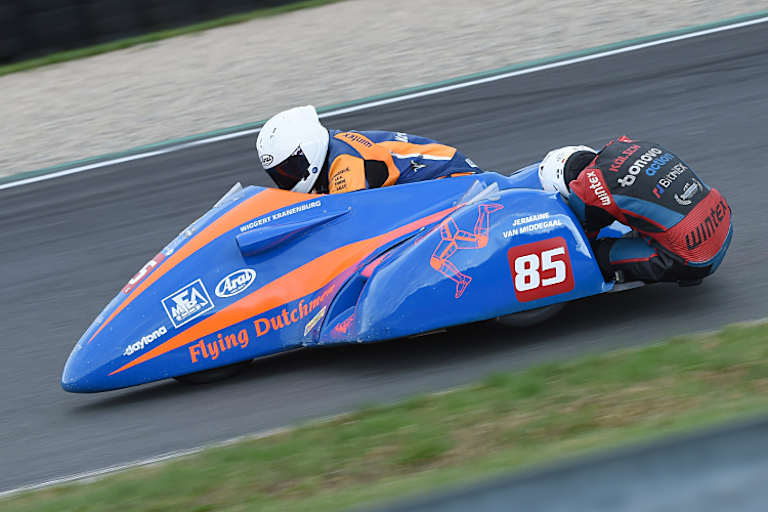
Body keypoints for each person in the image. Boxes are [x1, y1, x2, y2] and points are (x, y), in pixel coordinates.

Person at [538, 136, 732, 285]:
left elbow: (580, 244)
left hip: (694, 258)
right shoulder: (630, 145)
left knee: (595, 256)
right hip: (723, 220)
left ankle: (673, 268)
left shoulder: (585, 188)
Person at [255, 105, 480, 194]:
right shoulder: (332, 151)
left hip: (459, 182)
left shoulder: (344, 163)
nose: (286, 177)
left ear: (308, 147)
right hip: (433, 185)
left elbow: (351, 222)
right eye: (278, 174)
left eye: (289, 168)